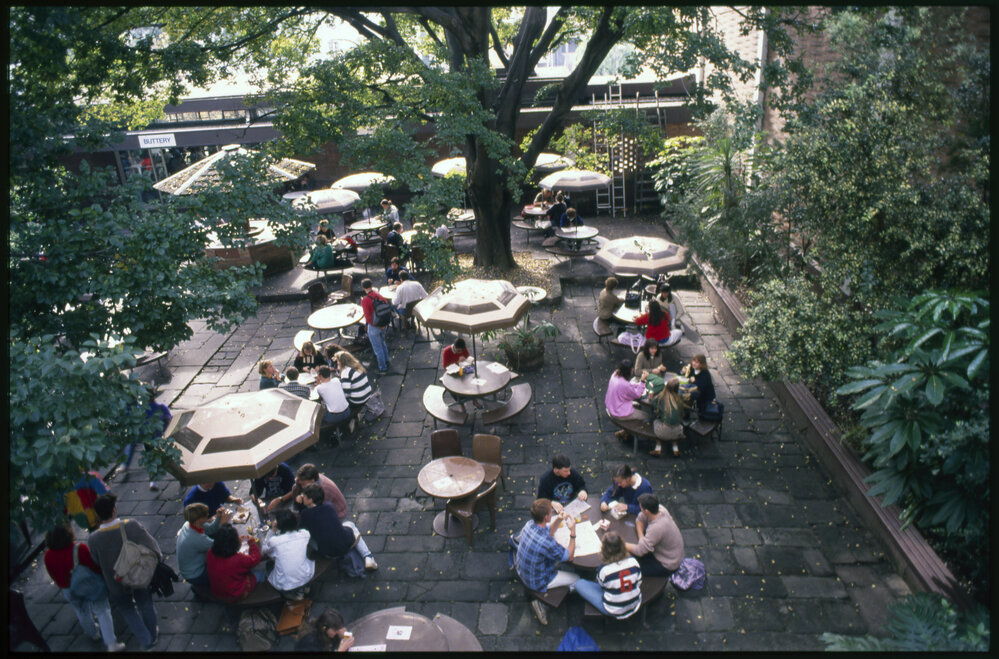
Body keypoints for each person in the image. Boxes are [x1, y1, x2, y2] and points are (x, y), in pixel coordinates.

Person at [88, 492, 161, 651]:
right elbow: (152, 546)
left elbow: (95, 562)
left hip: (115, 582)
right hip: (138, 576)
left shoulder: (93, 539)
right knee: (145, 604)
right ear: (114, 510)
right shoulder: (131, 525)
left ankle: (146, 640)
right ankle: (153, 635)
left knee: (128, 610)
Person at [44, 523, 125, 652]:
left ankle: (93, 633)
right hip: (89, 584)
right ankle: (111, 643)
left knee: (81, 611)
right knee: (102, 610)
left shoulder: (48, 555)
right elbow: (94, 566)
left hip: (68, 589)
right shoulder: (79, 549)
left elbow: (53, 575)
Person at [515, 499, 579, 625]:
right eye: (552, 512)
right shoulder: (547, 543)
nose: (553, 512)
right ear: (546, 517)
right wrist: (572, 532)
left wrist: (559, 519)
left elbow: (548, 531)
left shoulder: (530, 524)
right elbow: (569, 556)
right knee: (577, 579)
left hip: (523, 570)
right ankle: (547, 598)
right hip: (538, 581)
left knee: (554, 557)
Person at [296, 484, 377, 570]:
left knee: (308, 537)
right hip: (346, 543)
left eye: (303, 496)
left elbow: (301, 528)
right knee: (350, 524)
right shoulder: (329, 506)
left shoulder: (305, 514)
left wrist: (299, 505)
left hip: (328, 552)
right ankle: (367, 556)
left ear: (310, 500)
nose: (302, 497)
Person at [572, 531, 643, 620]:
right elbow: (639, 582)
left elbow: (601, 586)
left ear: (604, 550)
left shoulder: (604, 570)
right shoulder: (634, 562)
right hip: (634, 604)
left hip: (612, 610)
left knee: (579, 583)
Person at [625, 493, 684, 578]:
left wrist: (621, 544)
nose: (639, 508)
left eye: (641, 507)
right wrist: (641, 538)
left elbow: (640, 551)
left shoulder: (656, 528)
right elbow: (640, 519)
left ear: (646, 511)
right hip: (669, 553)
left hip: (668, 563)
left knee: (632, 568)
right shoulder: (660, 509)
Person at [261, 509, 315, 600]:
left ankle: (292, 594)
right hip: (307, 577)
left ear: (278, 525)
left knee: (269, 565)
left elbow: (263, 551)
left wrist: (272, 531)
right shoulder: (304, 534)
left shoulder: (274, 541)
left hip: (286, 586)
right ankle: (303, 588)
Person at [205, 523, 265, 603]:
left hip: (217, 592)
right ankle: (261, 594)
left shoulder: (210, 552)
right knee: (261, 573)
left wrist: (237, 540)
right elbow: (255, 559)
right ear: (234, 543)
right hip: (235, 595)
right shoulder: (237, 558)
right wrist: (252, 543)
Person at [176, 502, 233, 586]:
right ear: (198, 520)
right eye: (205, 515)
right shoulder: (196, 538)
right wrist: (223, 524)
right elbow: (219, 545)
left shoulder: (189, 524)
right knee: (228, 565)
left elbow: (211, 529)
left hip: (190, 568)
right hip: (196, 575)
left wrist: (218, 518)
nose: (208, 515)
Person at [605, 360, 649, 443]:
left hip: (612, 406)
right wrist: (642, 381)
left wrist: (637, 384)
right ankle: (630, 432)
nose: (633, 371)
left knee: (636, 406)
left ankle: (625, 432)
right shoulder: (624, 385)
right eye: (632, 370)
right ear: (629, 371)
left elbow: (628, 386)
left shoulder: (615, 375)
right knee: (645, 416)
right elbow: (638, 395)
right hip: (618, 412)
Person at [648, 376, 685, 457]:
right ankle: (676, 449)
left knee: (656, 421)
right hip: (678, 432)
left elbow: (653, 403)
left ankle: (658, 448)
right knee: (675, 424)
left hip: (663, 432)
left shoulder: (661, 397)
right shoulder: (680, 398)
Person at [360, 278, 391, 373]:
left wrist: (376, 326)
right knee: (383, 343)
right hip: (383, 324)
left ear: (363, 288)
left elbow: (368, 317)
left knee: (377, 349)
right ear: (371, 285)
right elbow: (386, 306)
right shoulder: (378, 295)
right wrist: (383, 325)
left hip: (374, 327)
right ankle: (387, 360)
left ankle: (382, 368)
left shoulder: (365, 299)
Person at [334, 351, 373, 415]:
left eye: (338, 361)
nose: (337, 362)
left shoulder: (345, 372)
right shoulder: (357, 366)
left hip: (359, 400)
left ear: (341, 362)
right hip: (368, 394)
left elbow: (347, 394)